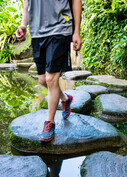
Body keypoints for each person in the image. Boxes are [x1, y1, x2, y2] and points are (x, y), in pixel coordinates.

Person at [15, 0, 82, 143]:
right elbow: (27, 5)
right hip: (37, 33)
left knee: (51, 79)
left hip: (60, 29)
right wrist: (23, 24)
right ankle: (65, 99)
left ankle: (49, 123)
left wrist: (76, 31)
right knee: (43, 81)